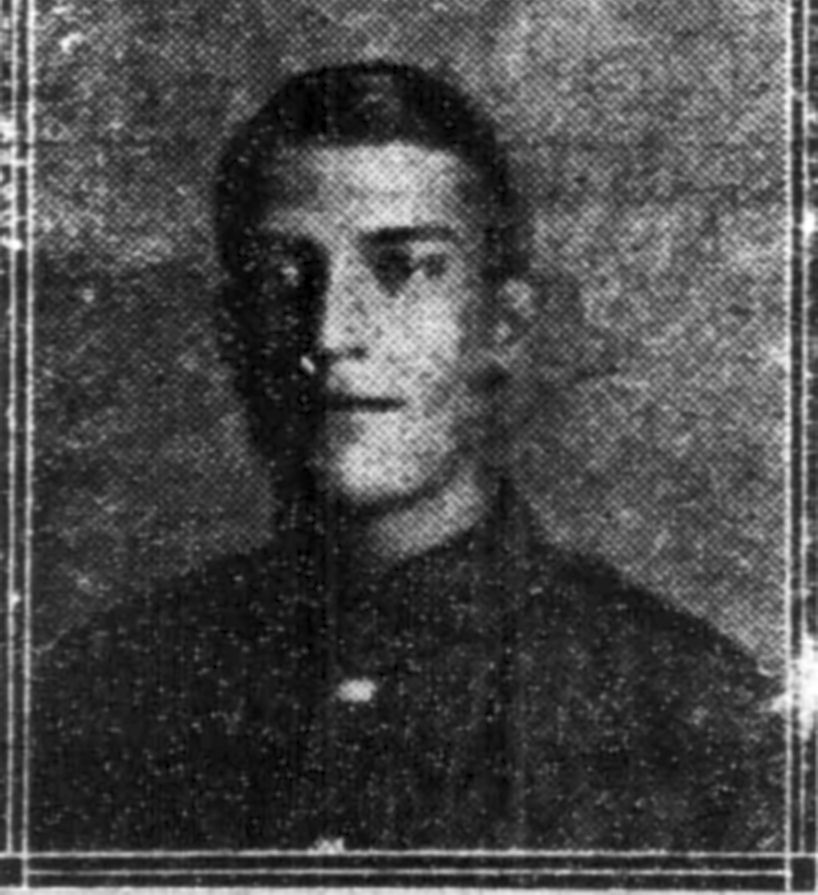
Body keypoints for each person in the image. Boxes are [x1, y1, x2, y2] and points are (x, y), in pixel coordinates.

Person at [31, 61, 783, 851]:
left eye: (404, 269)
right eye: (282, 275)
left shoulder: (694, 713)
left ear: (502, 325)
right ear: (230, 330)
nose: (330, 332)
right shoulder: (100, 688)